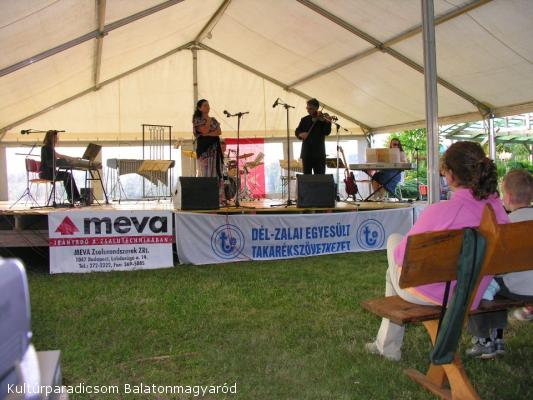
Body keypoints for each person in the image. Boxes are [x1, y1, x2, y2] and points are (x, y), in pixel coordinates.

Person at [365, 141, 509, 361]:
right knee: (393, 269)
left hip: (436, 294)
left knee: (394, 242)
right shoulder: (497, 208)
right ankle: (385, 345)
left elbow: (402, 257)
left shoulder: (442, 211)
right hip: (475, 291)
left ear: (450, 175)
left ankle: (388, 347)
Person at [466, 168, 533, 358]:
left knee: (481, 284)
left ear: (508, 197)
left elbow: (491, 264)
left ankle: (484, 340)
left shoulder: (505, 225)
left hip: (517, 288)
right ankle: (497, 336)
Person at [192, 99, 224, 202]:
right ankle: (205, 197)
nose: (208, 107)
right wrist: (209, 122)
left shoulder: (213, 119)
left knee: (215, 172)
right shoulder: (197, 119)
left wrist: (208, 134)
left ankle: (216, 197)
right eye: (205, 105)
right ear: (199, 108)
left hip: (214, 150)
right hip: (204, 151)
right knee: (205, 173)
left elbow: (219, 132)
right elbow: (204, 130)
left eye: (208, 105)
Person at [39, 130, 81, 204]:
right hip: (47, 173)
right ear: (50, 138)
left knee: (68, 175)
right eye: (55, 137)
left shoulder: (49, 148)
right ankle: (74, 197)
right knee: (67, 175)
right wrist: (67, 160)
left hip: (50, 173)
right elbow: (50, 162)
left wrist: (73, 158)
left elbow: (60, 156)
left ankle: (74, 197)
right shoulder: (46, 148)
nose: (57, 139)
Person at [295, 98, 331, 174]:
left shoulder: (323, 119)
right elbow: (297, 131)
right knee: (306, 178)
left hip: (319, 155)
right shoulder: (304, 119)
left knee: (320, 178)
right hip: (306, 154)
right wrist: (300, 134)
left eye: (310, 108)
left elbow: (326, 132)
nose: (308, 110)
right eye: (307, 108)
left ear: (316, 108)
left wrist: (328, 123)